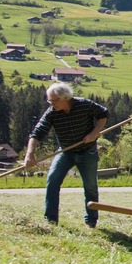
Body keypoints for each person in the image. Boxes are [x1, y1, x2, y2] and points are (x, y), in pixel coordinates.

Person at [23, 82, 109, 227]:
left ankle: (91, 221)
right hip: (65, 151)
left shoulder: (84, 105)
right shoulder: (51, 113)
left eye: (54, 101)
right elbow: (37, 133)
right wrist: (29, 154)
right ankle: (50, 220)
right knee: (52, 181)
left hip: (88, 151)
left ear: (65, 98)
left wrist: (94, 133)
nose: (52, 104)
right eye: (49, 101)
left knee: (90, 187)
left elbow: (104, 114)